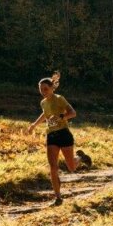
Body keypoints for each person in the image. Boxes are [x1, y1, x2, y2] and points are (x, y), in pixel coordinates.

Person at [31, 72, 91, 205]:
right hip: (51, 136)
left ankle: (81, 157)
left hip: (64, 134)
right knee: (53, 167)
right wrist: (34, 125)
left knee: (71, 167)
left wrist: (61, 117)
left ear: (52, 88)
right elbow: (45, 114)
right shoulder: (43, 102)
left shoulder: (59, 99)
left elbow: (73, 113)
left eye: (45, 89)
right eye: (41, 89)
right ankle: (58, 197)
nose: (43, 92)